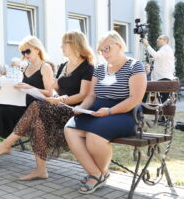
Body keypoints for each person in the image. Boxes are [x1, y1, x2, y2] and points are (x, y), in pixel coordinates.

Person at [0, 31, 95, 180]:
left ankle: (6, 144)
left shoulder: (87, 67)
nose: (61, 46)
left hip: (72, 110)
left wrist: (61, 100)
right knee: (37, 123)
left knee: (36, 105)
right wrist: (55, 97)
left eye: (64, 43)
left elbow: (83, 95)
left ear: (75, 44)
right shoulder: (64, 65)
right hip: (57, 107)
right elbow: (53, 89)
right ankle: (41, 170)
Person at [63, 31, 147, 194]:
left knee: (94, 135)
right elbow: (91, 95)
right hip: (98, 111)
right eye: (101, 50)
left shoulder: (134, 66)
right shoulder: (100, 69)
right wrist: (82, 108)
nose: (103, 53)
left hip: (125, 113)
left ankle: (97, 176)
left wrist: (109, 111)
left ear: (120, 45)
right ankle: (96, 174)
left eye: (107, 48)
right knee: (70, 128)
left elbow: (135, 99)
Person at [0, 36, 54, 171]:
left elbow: (50, 93)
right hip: (20, 103)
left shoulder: (45, 66)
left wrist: (29, 88)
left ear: (37, 50)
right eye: (23, 52)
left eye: (27, 51)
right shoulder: (26, 68)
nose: (25, 55)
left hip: (34, 109)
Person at [141, 35, 175, 103]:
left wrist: (147, 44)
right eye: (157, 38)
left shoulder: (166, 49)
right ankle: (142, 106)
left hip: (164, 79)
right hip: (160, 78)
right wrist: (154, 59)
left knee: (163, 102)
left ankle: (141, 107)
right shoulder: (164, 49)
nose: (157, 40)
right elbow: (161, 58)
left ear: (166, 41)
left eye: (160, 38)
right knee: (161, 101)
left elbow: (156, 55)